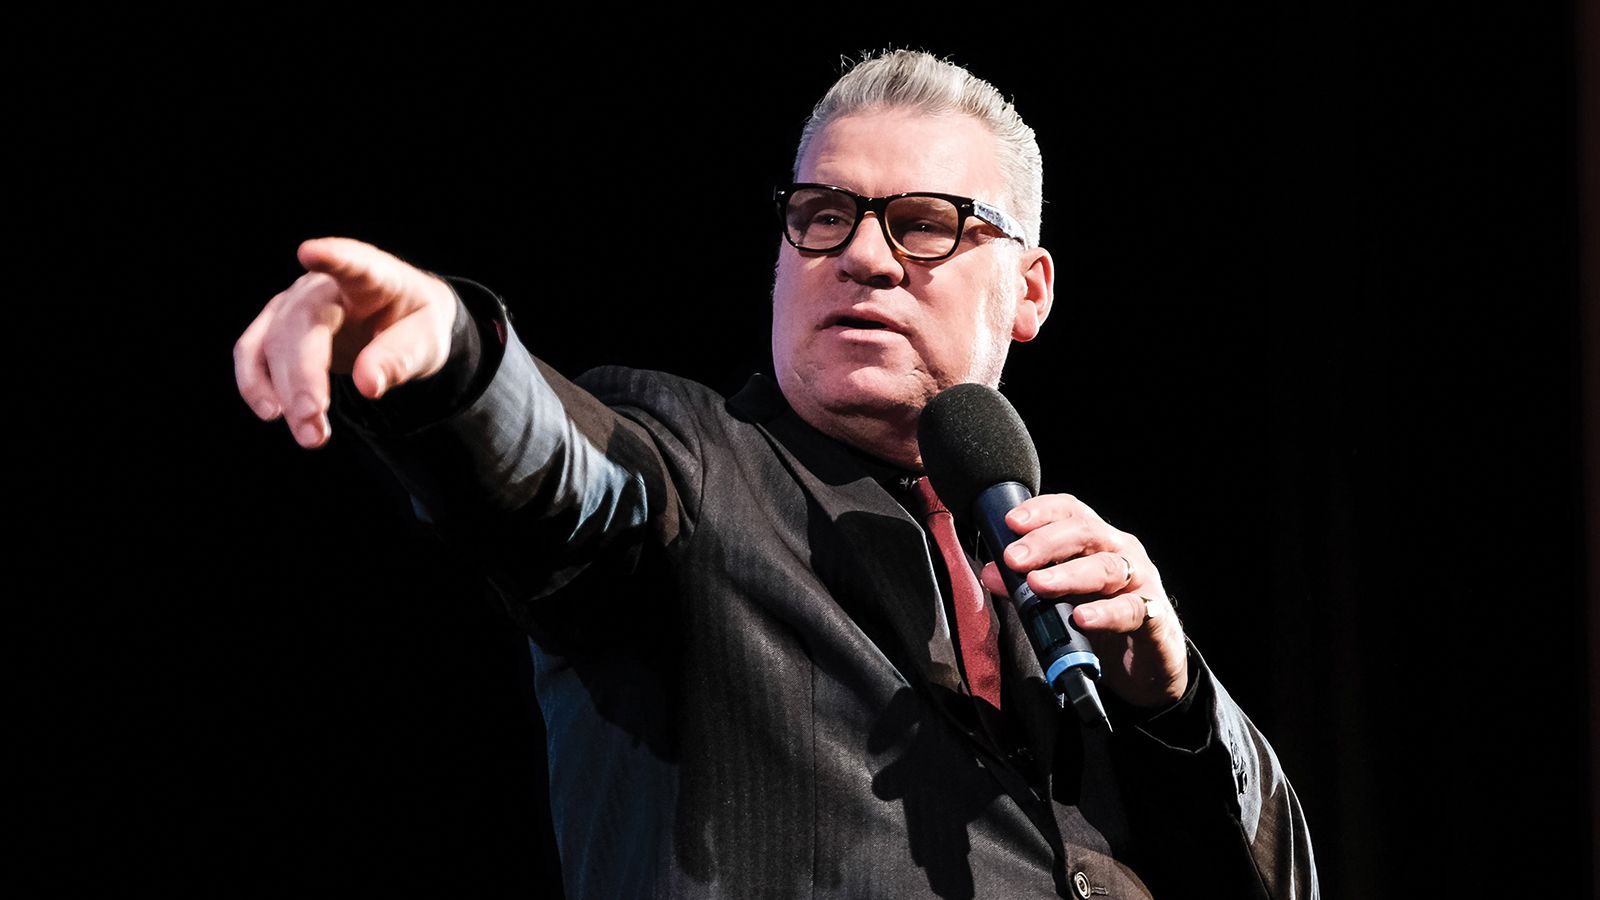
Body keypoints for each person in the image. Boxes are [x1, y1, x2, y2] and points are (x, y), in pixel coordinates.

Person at [234, 50, 1317, 899]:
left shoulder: (1074, 595)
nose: (864, 255)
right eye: (823, 216)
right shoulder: (693, 469)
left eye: (928, 225)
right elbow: (565, 474)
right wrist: (458, 359)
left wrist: (1175, 702)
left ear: (1029, 290)